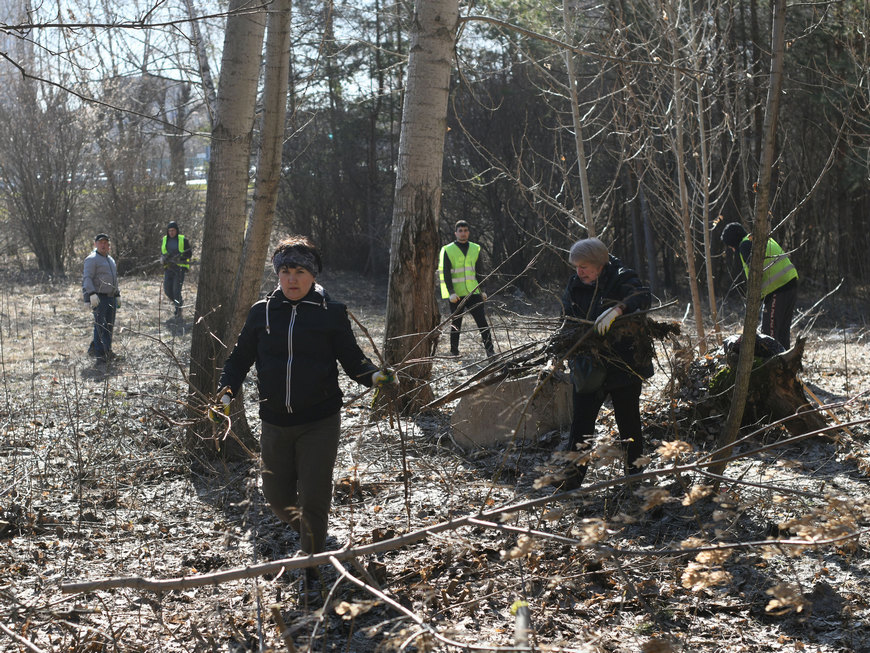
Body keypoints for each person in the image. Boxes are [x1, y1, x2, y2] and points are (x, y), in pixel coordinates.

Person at [215, 236, 396, 574]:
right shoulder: (262, 312)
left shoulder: (331, 313)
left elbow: (352, 360)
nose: (292, 279)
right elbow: (239, 359)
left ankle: (311, 561)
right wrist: (225, 393)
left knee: (313, 496)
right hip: (274, 422)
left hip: (319, 421)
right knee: (276, 497)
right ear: (277, 274)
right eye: (285, 271)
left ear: (313, 275)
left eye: (299, 271)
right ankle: (316, 537)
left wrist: (375, 377)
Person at [558, 237, 654, 489]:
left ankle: (636, 479)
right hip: (589, 367)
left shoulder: (622, 276)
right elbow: (565, 319)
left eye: (585, 267)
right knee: (581, 424)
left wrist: (618, 309)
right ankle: (571, 480)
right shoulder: (574, 284)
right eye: (576, 267)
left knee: (629, 423)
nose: (579, 272)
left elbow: (642, 296)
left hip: (623, 364)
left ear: (600, 265)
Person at [721, 222, 798, 349]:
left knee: (769, 336)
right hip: (791, 283)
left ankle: (772, 366)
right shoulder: (760, 237)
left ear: (733, 242)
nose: (732, 249)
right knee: (783, 333)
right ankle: (785, 365)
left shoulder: (745, 245)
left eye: (730, 246)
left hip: (777, 288)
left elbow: (755, 275)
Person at [438, 220, 496, 357]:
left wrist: (482, 290)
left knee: (482, 322)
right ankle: (454, 351)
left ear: (468, 232)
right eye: (460, 231)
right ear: (455, 233)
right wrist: (450, 292)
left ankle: (490, 351)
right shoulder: (448, 249)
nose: (463, 233)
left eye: (465, 231)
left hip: (473, 292)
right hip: (457, 294)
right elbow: (445, 272)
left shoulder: (476, 248)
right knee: (456, 324)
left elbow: (479, 270)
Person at [82, 233, 120, 362]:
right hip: (99, 298)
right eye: (101, 242)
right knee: (100, 326)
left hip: (111, 297)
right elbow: (87, 278)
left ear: (109, 245)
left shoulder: (111, 260)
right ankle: (99, 354)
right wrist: (90, 295)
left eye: (106, 243)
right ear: (95, 244)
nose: (103, 245)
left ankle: (107, 350)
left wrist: (117, 294)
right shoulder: (92, 259)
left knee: (109, 326)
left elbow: (114, 278)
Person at [160, 220, 193, 319]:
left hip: (179, 269)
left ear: (177, 231)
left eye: (173, 230)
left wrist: (180, 257)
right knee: (167, 290)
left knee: (176, 290)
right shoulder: (165, 239)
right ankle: (178, 302)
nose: (171, 232)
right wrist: (163, 258)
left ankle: (178, 310)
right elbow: (162, 252)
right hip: (168, 268)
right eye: (169, 231)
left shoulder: (183, 240)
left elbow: (189, 254)